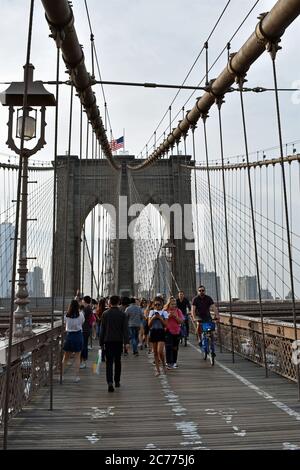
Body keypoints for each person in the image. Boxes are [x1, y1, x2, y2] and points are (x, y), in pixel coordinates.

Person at [99, 295, 130, 392]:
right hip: (118, 341)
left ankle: (110, 382)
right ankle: (117, 381)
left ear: (109, 302)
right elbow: (125, 329)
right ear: (119, 302)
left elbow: (102, 330)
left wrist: (101, 342)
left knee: (109, 362)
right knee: (117, 361)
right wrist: (126, 343)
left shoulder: (105, 314)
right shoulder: (123, 314)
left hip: (108, 341)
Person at [191, 285, 220, 354]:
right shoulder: (195, 299)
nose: (201, 292)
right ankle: (200, 339)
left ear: (205, 291)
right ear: (198, 292)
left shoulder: (208, 298)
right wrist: (194, 317)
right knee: (199, 326)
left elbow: (214, 307)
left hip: (207, 316)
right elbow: (193, 310)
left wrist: (217, 315)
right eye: (200, 291)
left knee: (210, 331)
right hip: (199, 317)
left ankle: (212, 346)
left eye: (203, 290)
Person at [62, 299, 85, 382]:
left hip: (69, 336)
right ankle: (76, 377)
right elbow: (82, 323)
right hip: (78, 335)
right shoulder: (81, 314)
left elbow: (65, 325)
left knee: (65, 357)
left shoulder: (66, 315)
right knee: (77, 357)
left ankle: (62, 375)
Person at [148, 296, 168, 377]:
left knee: (160, 351)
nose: (157, 306)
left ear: (162, 305)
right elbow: (149, 325)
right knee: (155, 352)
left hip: (161, 332)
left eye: (159, 304)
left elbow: (165, 325)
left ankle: (163, 364)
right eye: (155, 304)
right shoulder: (151, 312)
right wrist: (153, 318)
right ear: (153, 305)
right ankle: (158, 370)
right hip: (153, 332)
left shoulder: (164, 313)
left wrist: (160, 318)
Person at [164, 296, 184, 369]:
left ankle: (174, 362)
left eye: (175, 304)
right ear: (168, 304)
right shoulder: (165, 311)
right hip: (168, 331)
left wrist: (176, 317)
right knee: (168, 346)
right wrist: (168, 316)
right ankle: (168, 362)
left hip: (176, 331)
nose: (174, 305)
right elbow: (162, 321)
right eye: (172, 304)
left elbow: (181, 321)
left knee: (175, 347)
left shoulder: (178, 311)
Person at [80, 295, 93, 369]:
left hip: (84, 329)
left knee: (83, 345)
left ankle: (83, 362)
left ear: (84, 301)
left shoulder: (86, 309)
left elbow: (82, 319)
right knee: (84, 345)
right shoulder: (89, 308)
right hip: (87, 328)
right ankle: (83, 361)